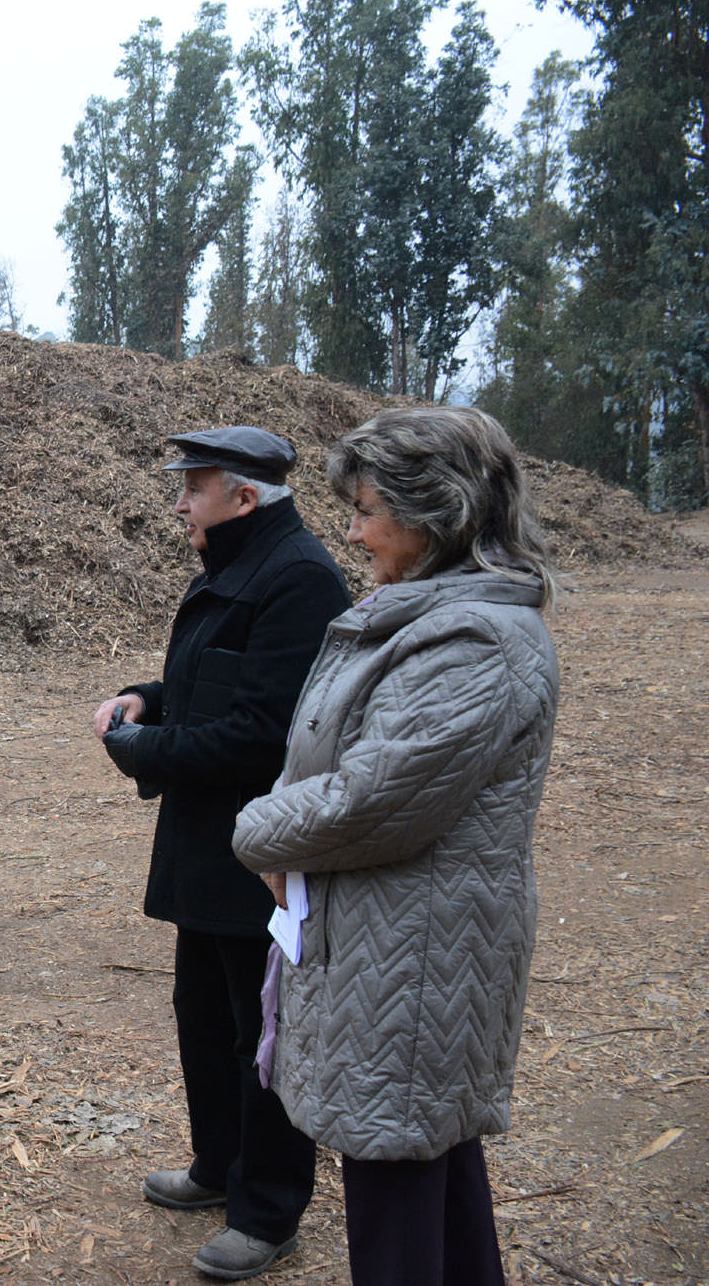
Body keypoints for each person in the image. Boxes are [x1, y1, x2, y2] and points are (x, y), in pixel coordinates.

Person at [232, 406, 559, 1286]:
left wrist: (256, 827)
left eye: (368, 508)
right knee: (426, 1170)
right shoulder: (427, 616)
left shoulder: (472, 641)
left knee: (398, 1194)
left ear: (435, 514)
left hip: (417, 961)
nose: (351, 529)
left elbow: (370, 799)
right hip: (400, 948)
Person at [92, 426, 349, 1280]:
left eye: (192, 487)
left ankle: (268, 1210)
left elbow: (260, 731)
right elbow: (214, 680)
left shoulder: (300, 578)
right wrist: (147, 696)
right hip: (213, 845)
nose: (178, 502)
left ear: (244, 497)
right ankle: (216, 1167)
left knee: (260, 1034)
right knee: (203, 1016)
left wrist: (143, 750)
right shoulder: (241, 566)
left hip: (260, 853)